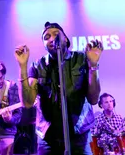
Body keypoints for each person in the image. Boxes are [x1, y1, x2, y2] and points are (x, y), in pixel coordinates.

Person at [14, 21, 103, 154]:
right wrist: (22, 67)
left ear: (66, 39)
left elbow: (94, 99)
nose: (51, 38)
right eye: (46, 37)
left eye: (56, 34)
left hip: (79, 134)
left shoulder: (81, 59)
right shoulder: (38, 65)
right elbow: (27, 103)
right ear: (44, 45)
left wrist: (93, 65)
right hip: (49, 137)